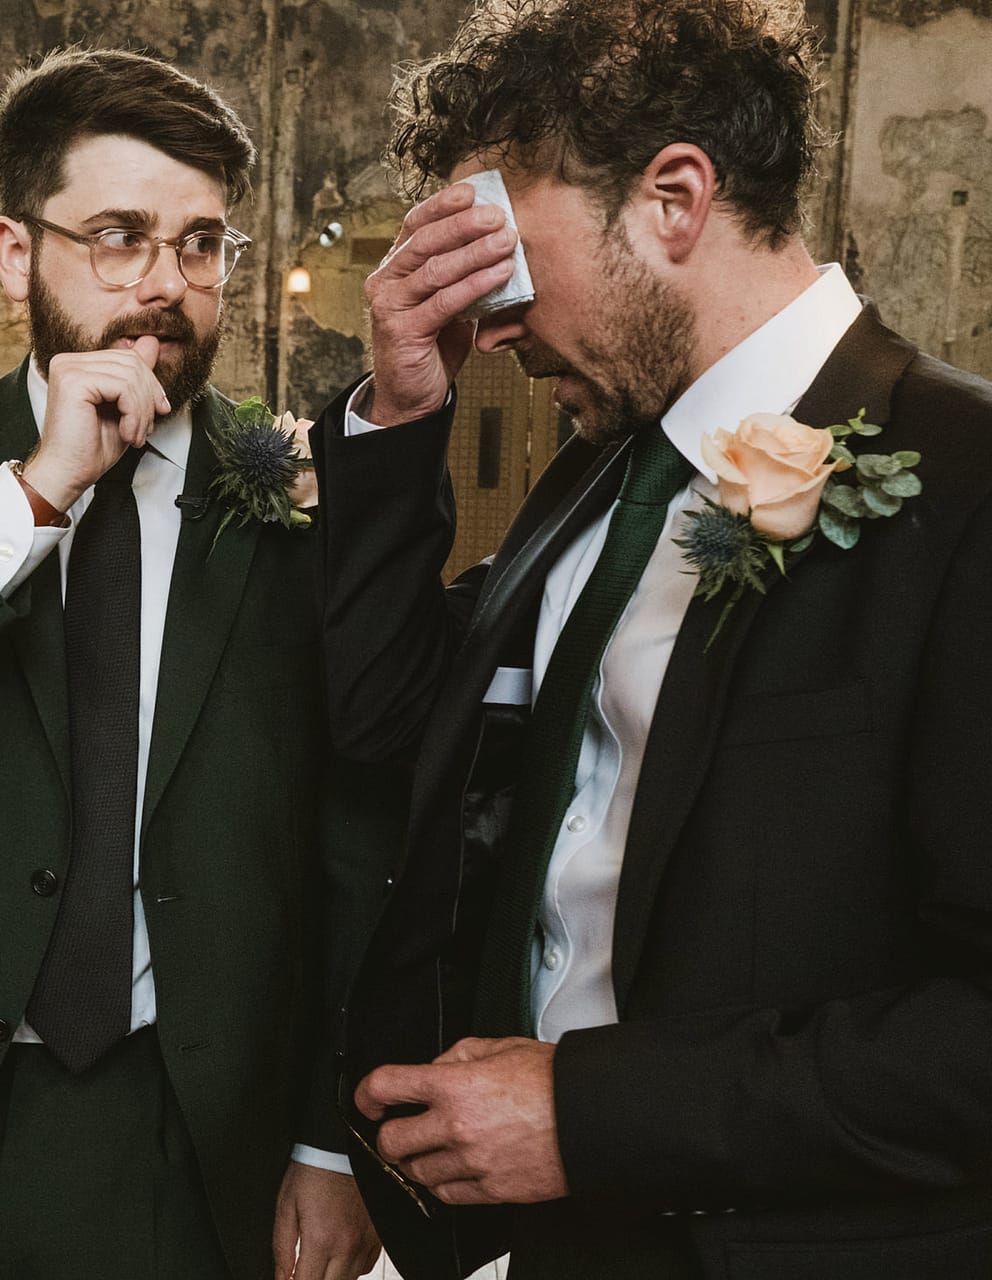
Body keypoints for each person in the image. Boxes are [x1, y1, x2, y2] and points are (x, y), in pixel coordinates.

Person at [314, 2, 992, 1276]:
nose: (493, 326)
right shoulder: (599, 477)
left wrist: (592, 1113)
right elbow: (389, 729)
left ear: (674, 199)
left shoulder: (969, 483)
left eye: (503, 267)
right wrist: (402, 411)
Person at [0, 47, 389, 1280]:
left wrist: (330, 1132)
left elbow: (354, 832)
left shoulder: (289, 495)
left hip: (185, 1125)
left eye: (201, 244)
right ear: (12, 251)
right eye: (118, 236)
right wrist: (38, 494)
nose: (166, 284)